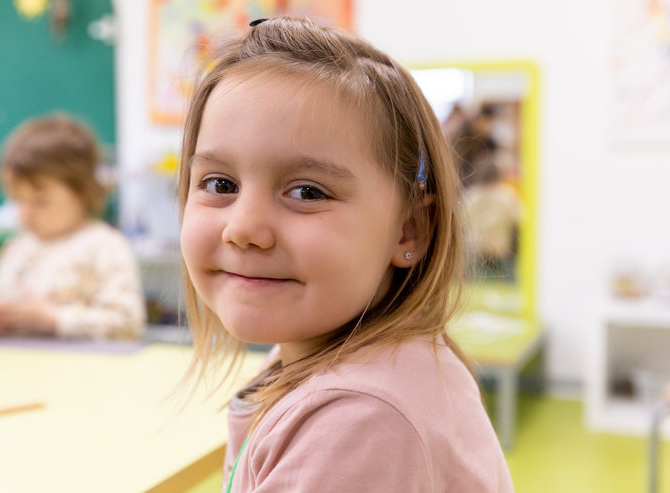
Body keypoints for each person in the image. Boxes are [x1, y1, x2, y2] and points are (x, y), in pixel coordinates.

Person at [177, 17, 514, 492]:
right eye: (220, 184)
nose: (244, 229)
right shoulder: (312, 353)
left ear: (409, 230)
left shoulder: (360, 417)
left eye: (308, 192)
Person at [0, 114, 145, 340]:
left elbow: (128, 325)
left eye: (40, 201)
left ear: (83, 191)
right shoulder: (17, 245)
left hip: (78, 370)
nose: (25, 213)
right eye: (18, 200)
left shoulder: (105, 246)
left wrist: (54, 319)